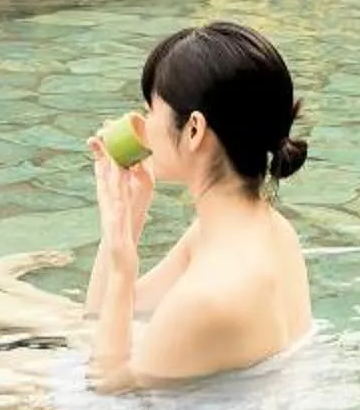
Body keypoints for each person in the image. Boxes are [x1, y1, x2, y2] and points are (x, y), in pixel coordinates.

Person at [86, 19, 313, 389]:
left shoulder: (208, 296)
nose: (143, 127)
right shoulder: (267, 230)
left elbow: (105, 387)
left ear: (193, 130)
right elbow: (100, 317)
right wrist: (127, 218)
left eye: (151, 111)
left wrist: (122, 266)